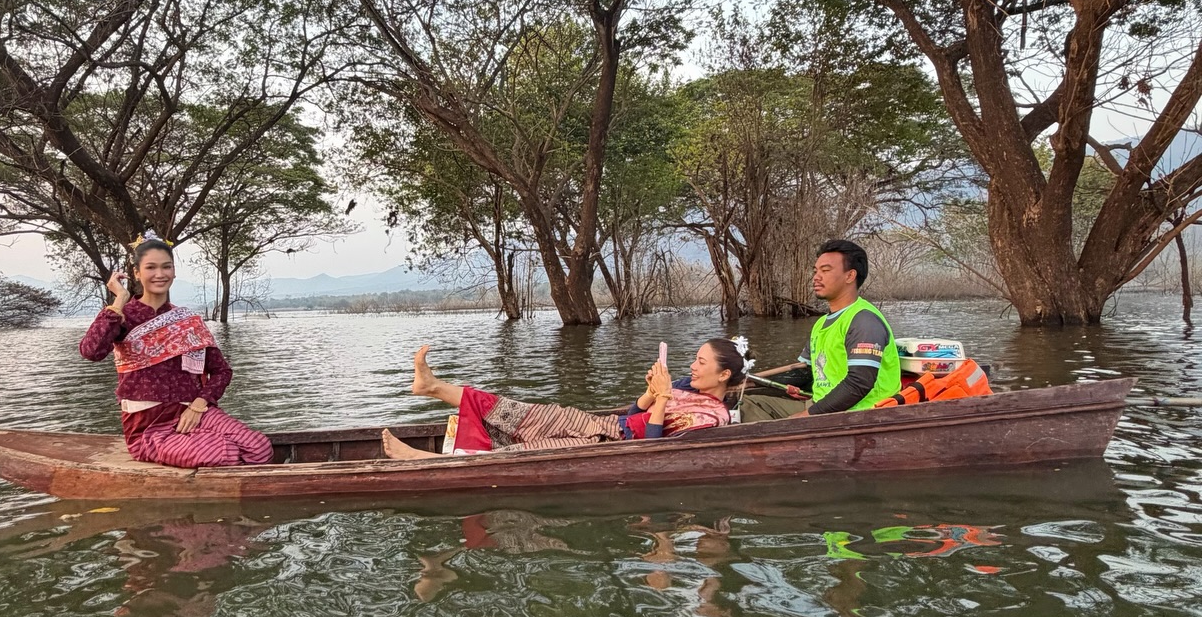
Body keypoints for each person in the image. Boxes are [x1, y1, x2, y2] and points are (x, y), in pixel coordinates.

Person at [79, 231, 273, 468]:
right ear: (137, 273)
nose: (159, 274)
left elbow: (222, 371)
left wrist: (199, 404)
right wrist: (119, 300)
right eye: (150, 267)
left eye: (166, 267)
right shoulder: (124, 316)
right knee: (224, 454)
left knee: (259, 448)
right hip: (149, 427)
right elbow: (91, 351)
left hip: (193, 412)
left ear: (174, 271)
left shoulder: (186, 320)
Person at [379, 338, 748, 460]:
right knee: (516, 412)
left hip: (611, 446)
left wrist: (664, 400)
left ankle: (420, 459)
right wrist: (652, 395)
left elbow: (652, 448)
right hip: (605, 425)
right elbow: (634, 412)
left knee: (521, 453)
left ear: (724, 374)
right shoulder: (685, 386)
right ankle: (432, 386)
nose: (692, 366)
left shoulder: (712, 418)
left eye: (701, 362)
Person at [755, 239, 901, 415]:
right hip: (821, 404)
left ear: (850, 276)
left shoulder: (864, 321)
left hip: (859, 414)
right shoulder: (821, 323)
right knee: (746, 403)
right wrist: (752, 382)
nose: (816, 277)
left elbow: (859, 383)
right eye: (816, 271)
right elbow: (808, 371)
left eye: (825, 271)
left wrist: (808, 415)